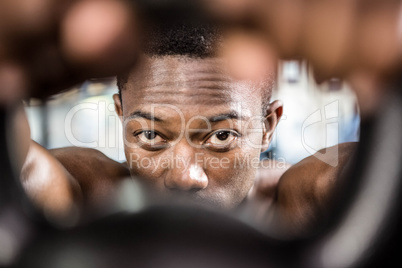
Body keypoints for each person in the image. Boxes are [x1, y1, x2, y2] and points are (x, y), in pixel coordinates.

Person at [20, 22, 356, 238]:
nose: (185, 177)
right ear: (121, 116)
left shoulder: (303, 201)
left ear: (268, 126)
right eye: (151, 135)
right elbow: (24, 170)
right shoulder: (88, 196)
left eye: (221, 136)